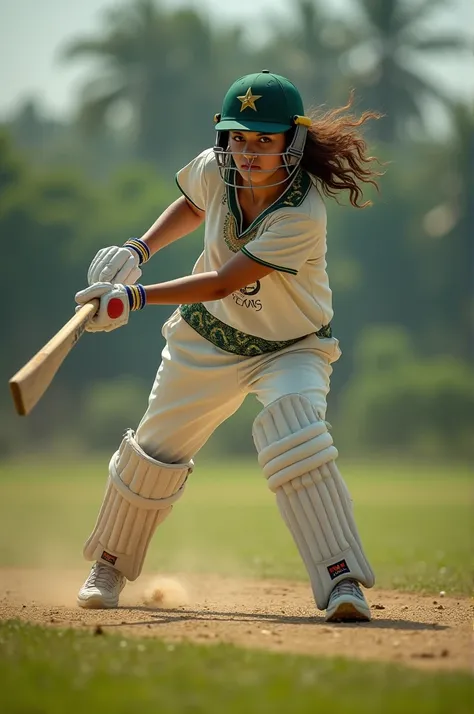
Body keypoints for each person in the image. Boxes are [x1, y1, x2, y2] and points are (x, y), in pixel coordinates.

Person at [75, 70, 382, 622]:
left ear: (294, 141)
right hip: (209, 338)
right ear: (225, 135)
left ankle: (342, 580)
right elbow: (193, 205)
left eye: (265, 140)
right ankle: (108, 565)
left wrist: (133, 297)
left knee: (297, 432)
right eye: (240, 137)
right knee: (154, 452)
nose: (249, 152)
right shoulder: (217, 166)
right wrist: (139, 249)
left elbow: (223, 280)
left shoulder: (302, 212)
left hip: (291, 347)